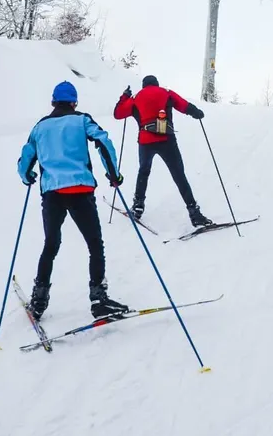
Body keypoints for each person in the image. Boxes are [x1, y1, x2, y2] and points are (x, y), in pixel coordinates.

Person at [17, 80, 129, 320]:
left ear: (53, 102)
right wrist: (114, 175)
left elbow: (27, 155)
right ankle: (99, 299)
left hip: (52, 193)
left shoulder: (40, 126)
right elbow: (103, 142)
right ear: (74, 102)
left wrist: (27, 176)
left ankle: (39, 301)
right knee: (94, 244)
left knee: (51, 244)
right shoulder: (82, 120)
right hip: (80, 190)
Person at [113, 75, 213, 227]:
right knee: (178, 174)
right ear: (157, 84)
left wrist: (124, 96)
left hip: (146, 141)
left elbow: (118, 114)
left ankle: (138, 207)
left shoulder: (136, 97)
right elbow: (183, 105)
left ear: (144, 85)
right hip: (167, 140)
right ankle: (194, 213)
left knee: (144, 171)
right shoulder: (166, 92)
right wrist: (196, 112)